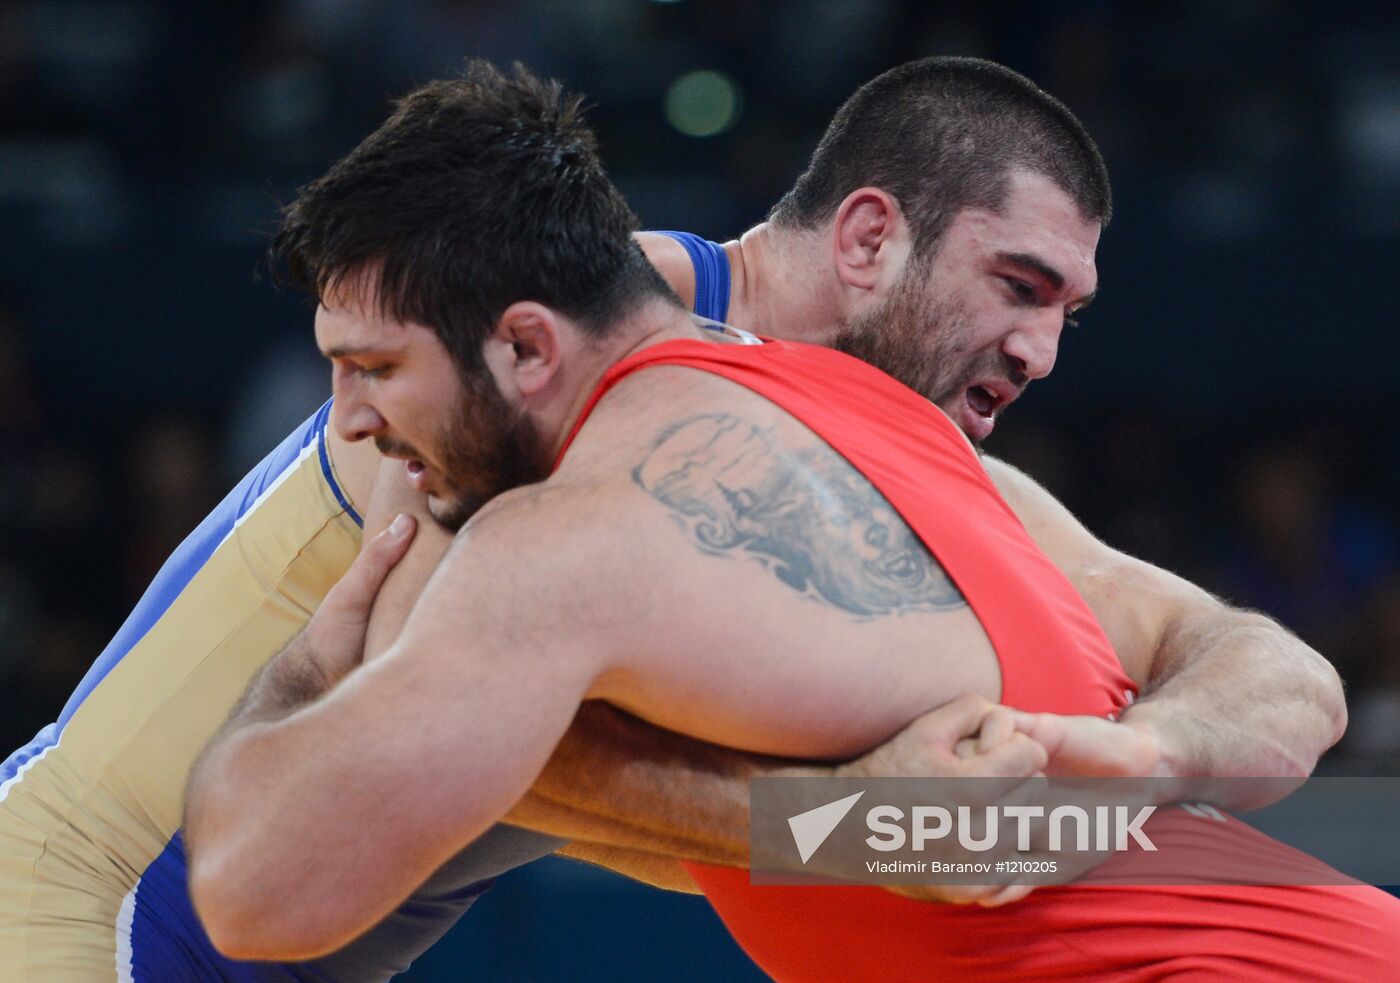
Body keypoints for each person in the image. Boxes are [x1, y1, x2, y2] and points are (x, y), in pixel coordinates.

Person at [0, 57, 1342, 982]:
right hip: (95, 910)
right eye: (1017, 286)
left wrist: (1155, 748)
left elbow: (1208, 634)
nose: (1042, 351)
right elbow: (527, 748)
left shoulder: (827, 421)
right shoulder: (565, 351)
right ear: (869, 239)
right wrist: (855, 818)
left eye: (1067, 312)